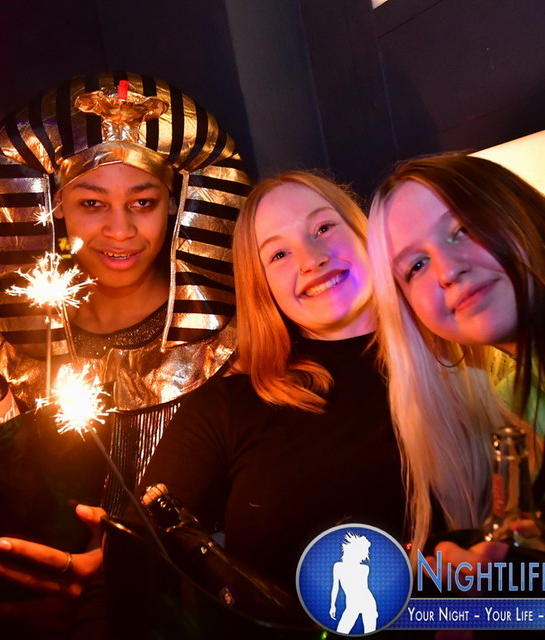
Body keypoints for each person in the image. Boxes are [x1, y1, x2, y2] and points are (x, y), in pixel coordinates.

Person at [0, 71, 250, 630]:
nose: (120, 230)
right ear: (55, 206)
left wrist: (126, 577)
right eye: (92, 202)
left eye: (143, 201)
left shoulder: (237, 345)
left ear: (175, 205)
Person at [138, 170, 431, 614]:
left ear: (362, 230)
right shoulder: (226, 404)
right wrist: (107, 572)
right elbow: (141, 544)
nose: (311, 260)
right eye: (278, 254)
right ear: (262, 287)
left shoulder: (458, 356)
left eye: (323, 227)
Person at [367, 153, 544, 574]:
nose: (447, 270)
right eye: (416, 266)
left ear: (519, 208)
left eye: (463, 229)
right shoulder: (515, 394)